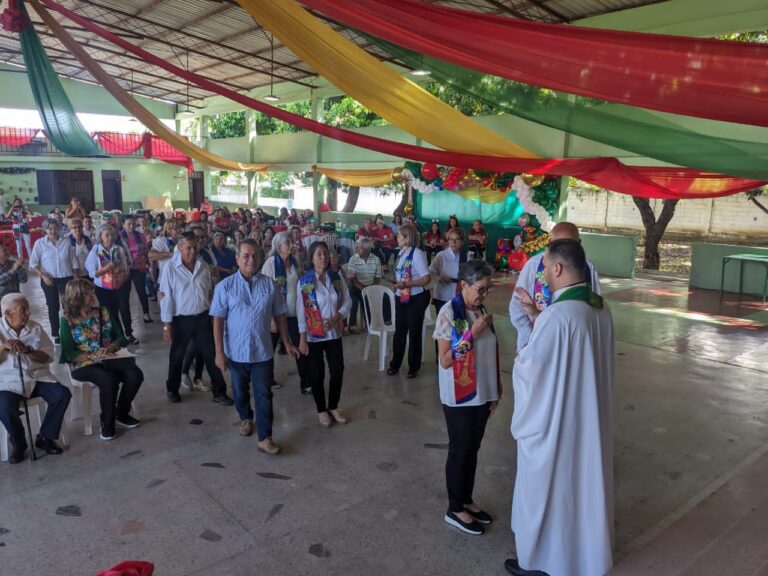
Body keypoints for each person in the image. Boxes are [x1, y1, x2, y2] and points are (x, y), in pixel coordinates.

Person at [505, 239, 614, 576]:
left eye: (546, 269)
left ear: (557, 268)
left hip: (559, 425)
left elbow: (533, 370)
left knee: (550, 490)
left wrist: (521, 355)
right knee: (581, 490)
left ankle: (539, 561)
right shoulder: (599, 307)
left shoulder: (559, 314)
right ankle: (581, 558)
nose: (545, 278)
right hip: (589, 419)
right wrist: (536, 315)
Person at [211, 240, 298, 454]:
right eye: (246, 255)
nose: (251, 260)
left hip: (262, 351)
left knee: (264, 394)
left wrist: (287, 342)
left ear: (260, 258)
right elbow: (218, 320)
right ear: (237, 258)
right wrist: (219, 352)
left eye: (255, 256)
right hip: (236, 352)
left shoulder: (270, 285)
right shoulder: (225, 286)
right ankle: (245, 417)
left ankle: (265, 437)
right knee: (240, 392)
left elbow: (280, 314)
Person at [434, 261, 500, 536]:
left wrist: (496, 387)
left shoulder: (480, 310)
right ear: (463, 285)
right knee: (460, 450)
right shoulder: (449, 313)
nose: (484, 295)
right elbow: (446, 360)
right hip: (460, 397)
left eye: (487, 290)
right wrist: (473, 333)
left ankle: (466, 499)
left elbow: (490, 352)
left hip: (483, 393)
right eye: (480, 289)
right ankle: (454, 507)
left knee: (473, 449)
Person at [59, 279, 143, 441]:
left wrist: (110, 348)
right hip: (83, 363)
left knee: (135, 374)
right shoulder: (67, 321)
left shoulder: (103, 312)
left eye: (92, 291)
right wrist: (92, 356)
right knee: (108, 379)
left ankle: (121, 412)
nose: (92, 295)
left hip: (109, 358)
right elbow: (68, 353)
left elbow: (120, 337)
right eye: (87, 293)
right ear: (77, 297)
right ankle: (107, 422)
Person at [159, 232, 233, 405]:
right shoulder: (170, 269)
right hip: (180, 320)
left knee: (211, 355)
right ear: (179, 248)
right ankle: (172, 389)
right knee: (177, 356)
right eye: (188, 248)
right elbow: (165, 298)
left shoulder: (203, 266)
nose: (192, 251)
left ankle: (219, 392)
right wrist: (166, 326)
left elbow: (208, 292)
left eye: (195, 247)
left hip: (202, 318)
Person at [0, 293, 71, 462]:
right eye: (23, 310)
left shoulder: (35, 328)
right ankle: (19, 443)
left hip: (38, 377)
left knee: (62, 394)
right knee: (4, 407)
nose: (28, 313)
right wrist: (3, 348)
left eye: (28, 309)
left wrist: (28, 350)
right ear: (8, 314)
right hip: (8, 381)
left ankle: (46, 437)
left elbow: (48, 357)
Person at [509, 222, 601, 351]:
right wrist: (529, 337)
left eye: (568, 246)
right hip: (536, 342)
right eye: (556, 246)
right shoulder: (534, 265)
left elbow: (594, 310)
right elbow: (517, 306)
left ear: (579, 244)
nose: (562, 254)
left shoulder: (589, 269)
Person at [296, 241, 351, 427]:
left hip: (334, 333)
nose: (323, 257)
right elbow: (301, 311)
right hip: (314, 336)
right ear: (311, 258)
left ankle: (333, 406)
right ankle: (321, 410)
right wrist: (302, 338)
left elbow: (347, 301)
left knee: (337, 370)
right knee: (316, 374)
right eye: (319, 254)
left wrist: (337, 317)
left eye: (326, 254)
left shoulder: (336, 277)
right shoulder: (305, 282)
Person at [261, 231, 310, 394]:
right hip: (275, 314)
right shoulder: (271, 264)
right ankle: (267, 379)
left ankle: (306, 382)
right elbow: (264, 292)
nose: (291, 245)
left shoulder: (295, 262)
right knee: (270, 347)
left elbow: (301, 285)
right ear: (278, 245)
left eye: (291, 242)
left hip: (294, 312)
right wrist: (270, 319)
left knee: (301, 346)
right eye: (287, 243)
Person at [387, 224, 432, 378]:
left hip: (416, 297)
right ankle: (395, 363)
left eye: (399, 236)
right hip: (402, 295)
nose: (397, 238)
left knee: (414, 331)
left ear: (407, 238)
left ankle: (413, 366)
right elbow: (402, 274)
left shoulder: (417, 254)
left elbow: (426, 278)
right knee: (399, 331)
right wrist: (397, 282)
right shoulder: (401, 253)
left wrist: (406, 284)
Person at [29, 219, 80, 342]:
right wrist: (43, 275)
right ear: (45, 230)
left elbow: (73, 261)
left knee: (68, 306)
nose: (52, 231)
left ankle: (70, 330)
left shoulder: (66, 242)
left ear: (59, 228)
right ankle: (56, 333)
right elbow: (33, 263)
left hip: (65, 278)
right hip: (48, 279)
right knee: (53, 306)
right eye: (49, 228)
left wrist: (76, 278)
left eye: (55, 228)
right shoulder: (40, 243)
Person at [86, 224, 135, 345]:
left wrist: (120, 270)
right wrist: (107, 268)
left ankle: (129, 333)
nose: (110, 237)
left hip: (120, 285)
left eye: (112, 234)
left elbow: (126, 266)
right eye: (106, 235)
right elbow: (92, 272)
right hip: (103, 288)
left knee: (124, 308)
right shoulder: (96, 250)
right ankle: (119, 335)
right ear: (100, 237)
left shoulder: (118, 249)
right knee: (110, 312)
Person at [346, 237, 383, 333]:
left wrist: (372, 289)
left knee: (375, 299)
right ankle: (352, 325)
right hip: (357, 286)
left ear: (366, 249)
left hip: (371, 286)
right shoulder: (353, 259)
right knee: (354, 300)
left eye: (359, 248)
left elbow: (377, 277)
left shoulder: (376, 259)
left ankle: (370, 324)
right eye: (357, 247)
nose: (357, 249)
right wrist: (364, 290)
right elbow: (353, 280)